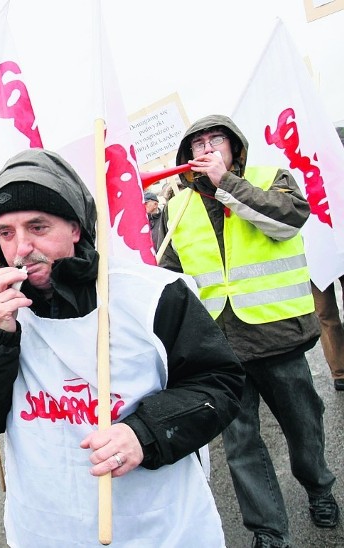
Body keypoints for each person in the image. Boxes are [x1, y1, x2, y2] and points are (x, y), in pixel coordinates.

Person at [0, 149, 244, 546]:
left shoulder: (151, 294)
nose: (21, 248)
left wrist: (145, 432)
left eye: (38, 227)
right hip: (45, 529)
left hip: (157, 526)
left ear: (76, 228)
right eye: (7, 233)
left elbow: (219, 383)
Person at [158, 114, 339, 547]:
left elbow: (288, 220)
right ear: (185, 158)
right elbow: (171, 275)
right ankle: (268, 530)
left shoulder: (270, 177)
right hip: (218, 349)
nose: (205, 149)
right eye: (196, 144)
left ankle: (319, 489)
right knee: (240, 446)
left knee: (304, 428)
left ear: (234, 147)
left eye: (214, 139)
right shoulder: (177, 206)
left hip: (278, 337)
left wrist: (227, 185)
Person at [311, 125, 344, 391]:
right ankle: (340, 371)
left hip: (340, 239)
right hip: (313, 249)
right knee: (325, 313)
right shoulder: (292, 166)